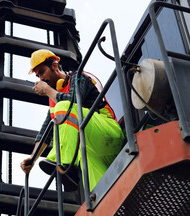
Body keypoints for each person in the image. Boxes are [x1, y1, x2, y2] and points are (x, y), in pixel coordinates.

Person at [20, 49, 124, 192]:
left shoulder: (78, 77)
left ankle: (64, 166)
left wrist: (48, 91)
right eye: (38, 76)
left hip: (108, 133)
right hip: (93, 150)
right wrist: (32, 159)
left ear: (55, 66)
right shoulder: (54, 101)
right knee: (102, 193)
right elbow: (46, 131)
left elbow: (73, 101)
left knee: (63, 106)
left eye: (42, 72)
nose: (41, 79)